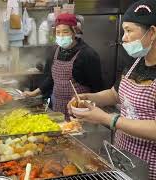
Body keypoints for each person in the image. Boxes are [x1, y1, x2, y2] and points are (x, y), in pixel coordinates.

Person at [67, 0, 156, 178]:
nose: (123, 37)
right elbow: (116, 94)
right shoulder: (136, 63)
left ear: (152, 32)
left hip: (150, 165)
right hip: (124, 155)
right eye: (124, 31)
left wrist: (109, 119)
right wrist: (89, 97)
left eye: (129, 30)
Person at [24, 13, 103, 119]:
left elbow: (97, 87)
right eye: (58, 32)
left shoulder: (88, 54)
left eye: (65, 32)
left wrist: (97, 112)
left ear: (74, 31)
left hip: (79, 110)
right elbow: (51, 78)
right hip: (57, 108)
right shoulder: (54, 51)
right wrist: (34, 93)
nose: (61, 36)